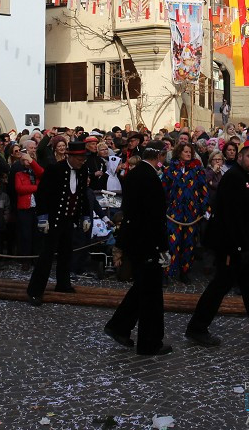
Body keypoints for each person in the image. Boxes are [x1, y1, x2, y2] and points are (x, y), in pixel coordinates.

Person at [184, 144, 249, 346]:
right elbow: (229, 217)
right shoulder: (234, 178)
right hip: (232, 246)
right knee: (219, 287)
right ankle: (197, 328)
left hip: (243, 245)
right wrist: (236, 248)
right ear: (240, 157)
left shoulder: (243, 178)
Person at [104, 142, 172, 356]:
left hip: (136, 239)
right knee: (151, 294)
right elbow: (155, 217)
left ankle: (119, 326)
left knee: (142, 288)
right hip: (148, 242)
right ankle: (149, 342)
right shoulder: (150, 178)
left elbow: (129, 211)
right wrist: (162, 247)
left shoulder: (134, 174)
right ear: (159, 156)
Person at [27, 141, 95, 305]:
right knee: (46, 256)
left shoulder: (83, 170)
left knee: (66, 253)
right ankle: (35, 291)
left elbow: (82, 194)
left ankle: (63, 284)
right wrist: (42, 217)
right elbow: (42, 194)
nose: (82, 161)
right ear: (69, 156)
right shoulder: (55, 169)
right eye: (79, 158)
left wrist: (85, 215)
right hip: (53, 219)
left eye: (83, 159)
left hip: (69, 219)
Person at [163, 142, 206, 282]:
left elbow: (203, 189)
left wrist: (205, 207)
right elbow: (164, 189)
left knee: (189, 244)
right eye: (185, 151)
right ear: (179, 152)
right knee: (172, 244)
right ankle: (169, 272)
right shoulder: (170, 169)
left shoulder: (197, 169)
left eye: (190, 152)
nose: (188, 154)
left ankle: (185, 272)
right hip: (174, 213)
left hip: (192, 213)